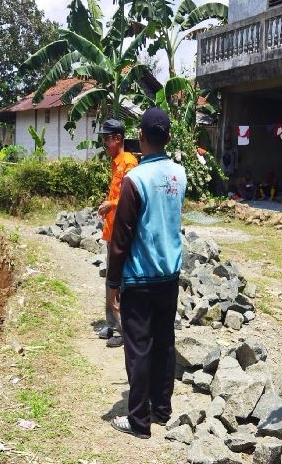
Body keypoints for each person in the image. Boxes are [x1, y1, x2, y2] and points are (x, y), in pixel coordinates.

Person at [107, 107, 187, 439]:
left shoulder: (135, 179)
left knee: (139, 346)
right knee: (164, 342)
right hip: (170, 274)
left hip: (140, 277)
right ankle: (162, 408)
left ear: (139, 136)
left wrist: (113, 282)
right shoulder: (180, 175)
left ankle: (139, 420)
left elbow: (121, 238)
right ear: (168, 137)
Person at [95, 119, 138, 348]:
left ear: (118, 138)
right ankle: (112, 323)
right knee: (111, 280)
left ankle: (122, 329)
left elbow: (130, 199)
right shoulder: (115, 163)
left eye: (107, 138)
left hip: (122, 233)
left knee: (119, 281)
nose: (104, 142)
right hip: (112, 231)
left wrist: (110, 204)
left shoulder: (129, 163)